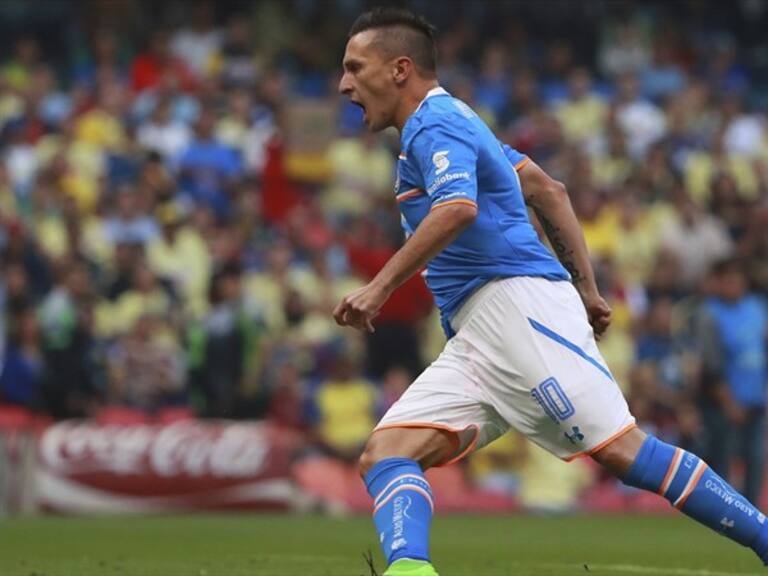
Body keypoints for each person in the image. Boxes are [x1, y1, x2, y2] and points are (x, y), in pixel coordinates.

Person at [333, 8, 768, 576]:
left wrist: (380, 286)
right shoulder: (458, 120)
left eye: (353, 67)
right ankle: (410, 572)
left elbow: (458, 208)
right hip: (478, 331)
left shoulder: (433, 125)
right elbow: (546, 187)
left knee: (623, 451)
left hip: (514, 305)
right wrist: (586, 288)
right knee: (387, 453)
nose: (344, 85)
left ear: (399, 69)